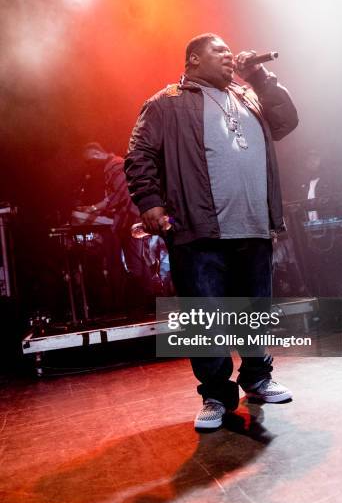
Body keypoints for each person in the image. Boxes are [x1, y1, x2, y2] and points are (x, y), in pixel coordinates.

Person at [125, 33, 299, 430]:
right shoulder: (166, 103)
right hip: (197, 228)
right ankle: (217, 395)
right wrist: (150, 202)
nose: (227, 55)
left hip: (253, 226)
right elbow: (139, 155)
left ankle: (257, 378)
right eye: (218, 50)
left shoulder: (248, 95)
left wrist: (260, 78)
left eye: (228, 51)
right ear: (193, 60)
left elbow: (286, 121)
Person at [78, 143, 163, 315]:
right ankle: (148, 302)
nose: (89, 165)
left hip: (130, 220)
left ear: (96, 153)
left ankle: (147, 302)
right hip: (129, 220)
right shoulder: (114, 165)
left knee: (136, 263)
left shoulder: (114, 165)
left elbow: (120, 195)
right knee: (138, 262)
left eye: (89, 160)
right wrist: (95, 208)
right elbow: (114, 196)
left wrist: (96, 209)